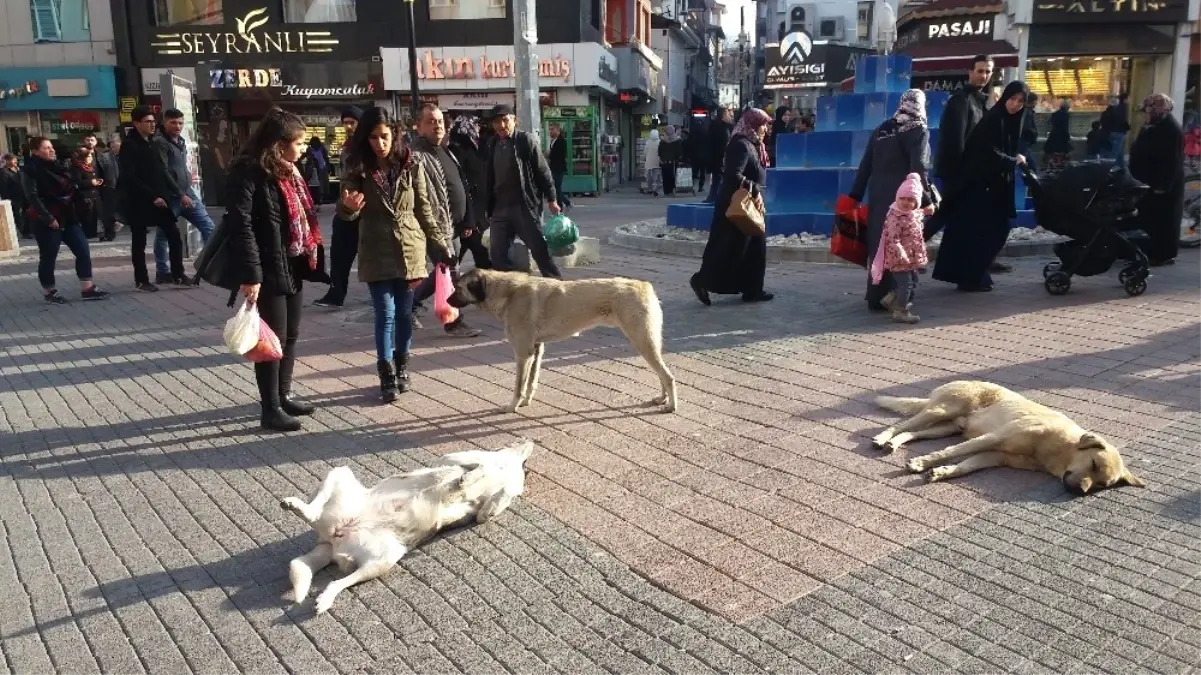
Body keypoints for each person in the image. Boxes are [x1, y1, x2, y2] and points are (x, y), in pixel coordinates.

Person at [340, 107, 453, 402]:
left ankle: (403, 367)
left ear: (395, 134)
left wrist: (439, 243)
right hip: (376, 249)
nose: (380, 143)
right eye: (374, 137)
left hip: (409, 248)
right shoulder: (357, 167)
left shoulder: (410, 163)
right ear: (366, 139)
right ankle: (386, 373)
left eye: (385, 136)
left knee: (404, 313)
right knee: (385, 314)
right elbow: (345, 211)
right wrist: (349, 208)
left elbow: (424, 208)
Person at [227, 108, 324, 432]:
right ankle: (269, 409)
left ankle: (283, 395)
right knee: (271, 339)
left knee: (290, 335)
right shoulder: (248, 172)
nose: (302, 149)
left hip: (291, 262)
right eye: (297, 143)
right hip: (267, 268)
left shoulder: (289, 172)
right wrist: (251, 274)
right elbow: (241, 225)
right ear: (278, 144)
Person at [932, 81, 1030, 293]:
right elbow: (987, 151)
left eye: (1020, 101)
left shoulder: (1011, 121)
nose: (1015, 105)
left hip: (992, 188)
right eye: (1012, 99)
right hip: (980, 187)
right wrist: (1011, 160)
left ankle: (973, 275)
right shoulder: (994, 120)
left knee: (986, 232)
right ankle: (971, 277)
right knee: (986, 232)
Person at [849, 89, 937, 312]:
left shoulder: (882, 128)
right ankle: (898, 297)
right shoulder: (918, 129)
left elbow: (866, 165)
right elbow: (919, 167)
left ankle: (876, 296)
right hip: (904, 199)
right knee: (904, 245)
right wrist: (926, 200)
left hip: (878, 196)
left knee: (880, 244)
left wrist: (855, 196)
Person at [409, 103, 482, 338]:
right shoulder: (416, 155)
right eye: (431, 121)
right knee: (451, 273)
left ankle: (409, 305)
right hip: (436, 227)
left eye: (440, 121)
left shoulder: (444, 150)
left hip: (454, 226)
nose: (437, 125)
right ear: (419, 127)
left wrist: (467, 221)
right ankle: (454, 323)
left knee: (443, 271)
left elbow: (461, 186)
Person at [689, 108, 773, 305]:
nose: (765, 129)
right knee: (726, 250)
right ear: (753, 124)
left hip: (747, 204)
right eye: (763, 124)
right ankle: (701, 280)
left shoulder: (753, 144)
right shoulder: (741, 145)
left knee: (753, 249)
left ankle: (752, 289)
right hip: (735, 207)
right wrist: (754, 190)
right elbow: (733, 175)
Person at [23, 137, 109, 304]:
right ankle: (50, 291)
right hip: (47, 219)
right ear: (35, 151)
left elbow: (72, 185)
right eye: (47, 148)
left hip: (68, 215)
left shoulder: (59, 166)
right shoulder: (30, 169)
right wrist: (48, 218)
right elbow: (32, 197)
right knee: (49, 256)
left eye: (52, 147)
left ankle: (87, 287)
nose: (52, 150)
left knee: (83, 249)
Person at [483, 104, 562, 278]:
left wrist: (552, 199)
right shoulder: (492, 144)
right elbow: (489, 177)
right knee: (497, 255)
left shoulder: (525, 140)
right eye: (497, 122)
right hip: (500, 209)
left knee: (539, 250)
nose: (501, 126)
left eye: (505, 120)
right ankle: (508, 292)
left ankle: (556, 285)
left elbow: (543, 171)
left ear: (514, 120)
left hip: (524, 207)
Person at [119, 105, 185, 292]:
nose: (152, 125)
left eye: (153, 121)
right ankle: (142, 280)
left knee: (173, 233)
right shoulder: (129, 145)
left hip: (159, 199)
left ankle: (178, 274)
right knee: (139, 241)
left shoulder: (152, 142)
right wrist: (152, 196)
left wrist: (172, 193)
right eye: (147, 121)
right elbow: (130, 177)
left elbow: (160, 172)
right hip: (139, 200)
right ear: (136, 123)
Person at [927, 55, 992, 241]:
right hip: (959, 173)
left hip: (971, 172)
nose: (984, 75)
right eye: (980, 71)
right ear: (970, 72)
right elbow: (955, 141)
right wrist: (961, 174)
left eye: (988, 71)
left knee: (963, 216)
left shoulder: (979, 102)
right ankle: (905, 254)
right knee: (946, 213)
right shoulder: (961, 101)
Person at [153, 108, 217, 286]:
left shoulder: (180, 140)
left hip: (187, 192)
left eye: (180, 123)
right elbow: (163, 171)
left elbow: (178, 167)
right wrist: (180, 194)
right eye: (173, 122)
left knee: (208, 227)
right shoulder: (160, 142)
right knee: (164, 235)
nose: (177, 126)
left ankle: (207, 266)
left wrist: (188, 178)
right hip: (171, 196)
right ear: (165, 122)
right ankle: (162, 271)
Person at [315, 106, 363, 308]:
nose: (348, 126)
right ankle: (336, 293)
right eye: (345, 123)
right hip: (346, 209)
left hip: (363, 209)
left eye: (352, 122)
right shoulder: (347, 147)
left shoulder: (365, 147)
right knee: (339, 255)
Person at [1128, 93, 1184, 267]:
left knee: (1163, 222)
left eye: (1149, 110)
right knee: (1148, 218)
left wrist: (1162, 186)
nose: (1146, 114)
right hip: (1146, 181)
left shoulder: (1171, 130)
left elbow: (1172, 160)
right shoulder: (1151, 126)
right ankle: (1145, 251)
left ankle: (1162, 255)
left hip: (1161, 185)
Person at [870, 173, 930, 324]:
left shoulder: (913, 215)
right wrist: (901, 253)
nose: (905, 203)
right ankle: (901, 311)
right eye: (902, 198)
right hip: (899, 257)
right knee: (906, 284)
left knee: (913, 281)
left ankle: (890, 299)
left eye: (910, 200)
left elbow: (918, 227)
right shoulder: (895, 217)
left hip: (911, 257)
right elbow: (893, 239)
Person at [447, 114, 492, 270]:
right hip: (467, 216)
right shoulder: (457, 150)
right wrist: (469, 220)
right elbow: (462, 185)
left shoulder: (474, 146)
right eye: (475, 125)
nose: (478, 128)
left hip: (476, 215)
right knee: (482, 258)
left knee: (452, 265)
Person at [70, 146, 104, 240]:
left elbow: (94, 177)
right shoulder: (77, 167)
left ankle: (93, 233)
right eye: (88, 156)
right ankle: (87, 234)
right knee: (87, 216)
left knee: (94, 214)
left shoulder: (91, 167)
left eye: (91, 156)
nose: (90, 158)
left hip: (94, 194)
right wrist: (90, 182)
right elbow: (77, 182)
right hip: (84, 196)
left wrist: (97, 181)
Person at [93, 135, 122, 241]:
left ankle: (117, 224)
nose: (118, 149)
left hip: (121, 187)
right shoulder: (105, 157)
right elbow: (101, 172)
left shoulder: (124, 157)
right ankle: (109, 233)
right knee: (109, 212)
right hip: (110, 187)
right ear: (112, 147)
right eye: (117, 147)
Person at [706, 107, 734, 203]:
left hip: (718, 157)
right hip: (720, 157)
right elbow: (722, 143)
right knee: (719, 179)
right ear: (723, 115)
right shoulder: (722, 127)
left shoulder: (720, 125)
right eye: (728, 114)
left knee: (717, 180)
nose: (729, 117)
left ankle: (713, 198)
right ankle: (715, 198)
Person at [0, 153, 29, 238]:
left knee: (26, 214)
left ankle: (28, 230)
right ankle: (24, 232)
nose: (16, 161)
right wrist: (7, 199)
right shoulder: (4, 172)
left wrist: (18, 170)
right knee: (18, 215)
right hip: (13, 198)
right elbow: (3, 187)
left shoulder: (17, 170)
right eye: (13, 160)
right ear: (7, 161)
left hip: (23, 196)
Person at [1100, 93, 1131, 169]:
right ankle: (1110, 170)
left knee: (1119, 152)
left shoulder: (1107, 112)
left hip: (1112, 132)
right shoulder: (1122, 109)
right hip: (1118, 132)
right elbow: (1122, 121)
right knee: (1115, 153)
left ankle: (1122, 168)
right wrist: (1127, 128)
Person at [546, 123, 572, 210]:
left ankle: (561, 206)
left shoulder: (561, 141)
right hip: (553, 167)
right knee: (556, 187)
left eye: (552, 129)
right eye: (550, 129)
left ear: (558, 131)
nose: (550, 131)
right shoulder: (553, 140)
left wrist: (549, 155)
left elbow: (560, 155)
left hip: (559, 168)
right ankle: (566, 203)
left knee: (556, 188)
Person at [1043, 99, 1073, 173]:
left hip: (1053, 137)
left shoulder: (1055, 114)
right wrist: (1068, 138)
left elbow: (1050, 123)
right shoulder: (1066, 115)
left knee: (1053, 156)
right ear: (1067, 108)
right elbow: (1065, 128)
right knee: (1062, 156)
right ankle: (1060, 171)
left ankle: (1052, 170)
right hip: (1062, 139)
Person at [303, 136, 330, 210]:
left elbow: (326, 158)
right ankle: (318, 201)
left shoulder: (315, 149)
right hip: (317, 169)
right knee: (318, 185)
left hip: (318, 169)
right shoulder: (319, 149)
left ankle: (318, 201)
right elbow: (326, 158)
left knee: (319, 185)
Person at [658, 125, 683, 196]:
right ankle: (672, 190)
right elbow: (679, 151)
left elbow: (659, 151)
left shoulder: (662, 140)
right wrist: (678, 158)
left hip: (664, 162)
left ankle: (666, 191)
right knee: (673, 175)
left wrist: (661, 158)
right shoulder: (677, 140)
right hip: (674, 162)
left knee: (665, 176)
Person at [1019, 93, 1039, 173]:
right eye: (1036, 101)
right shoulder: (1027, 112)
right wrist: (1034, 134)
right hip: (1024, 142)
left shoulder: (1025, 111)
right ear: (1032, 101)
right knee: (1031, 164)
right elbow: (1026, 127)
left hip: (1023, 142)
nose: (1036, 103)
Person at [643, 129, 662, 196]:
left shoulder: (648, 142)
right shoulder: (660, 142)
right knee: (657, 177)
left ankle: (650, 189)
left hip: (649, 162)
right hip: (657, 162)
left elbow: (645, 152)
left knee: (648, 176)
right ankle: (655, 189)